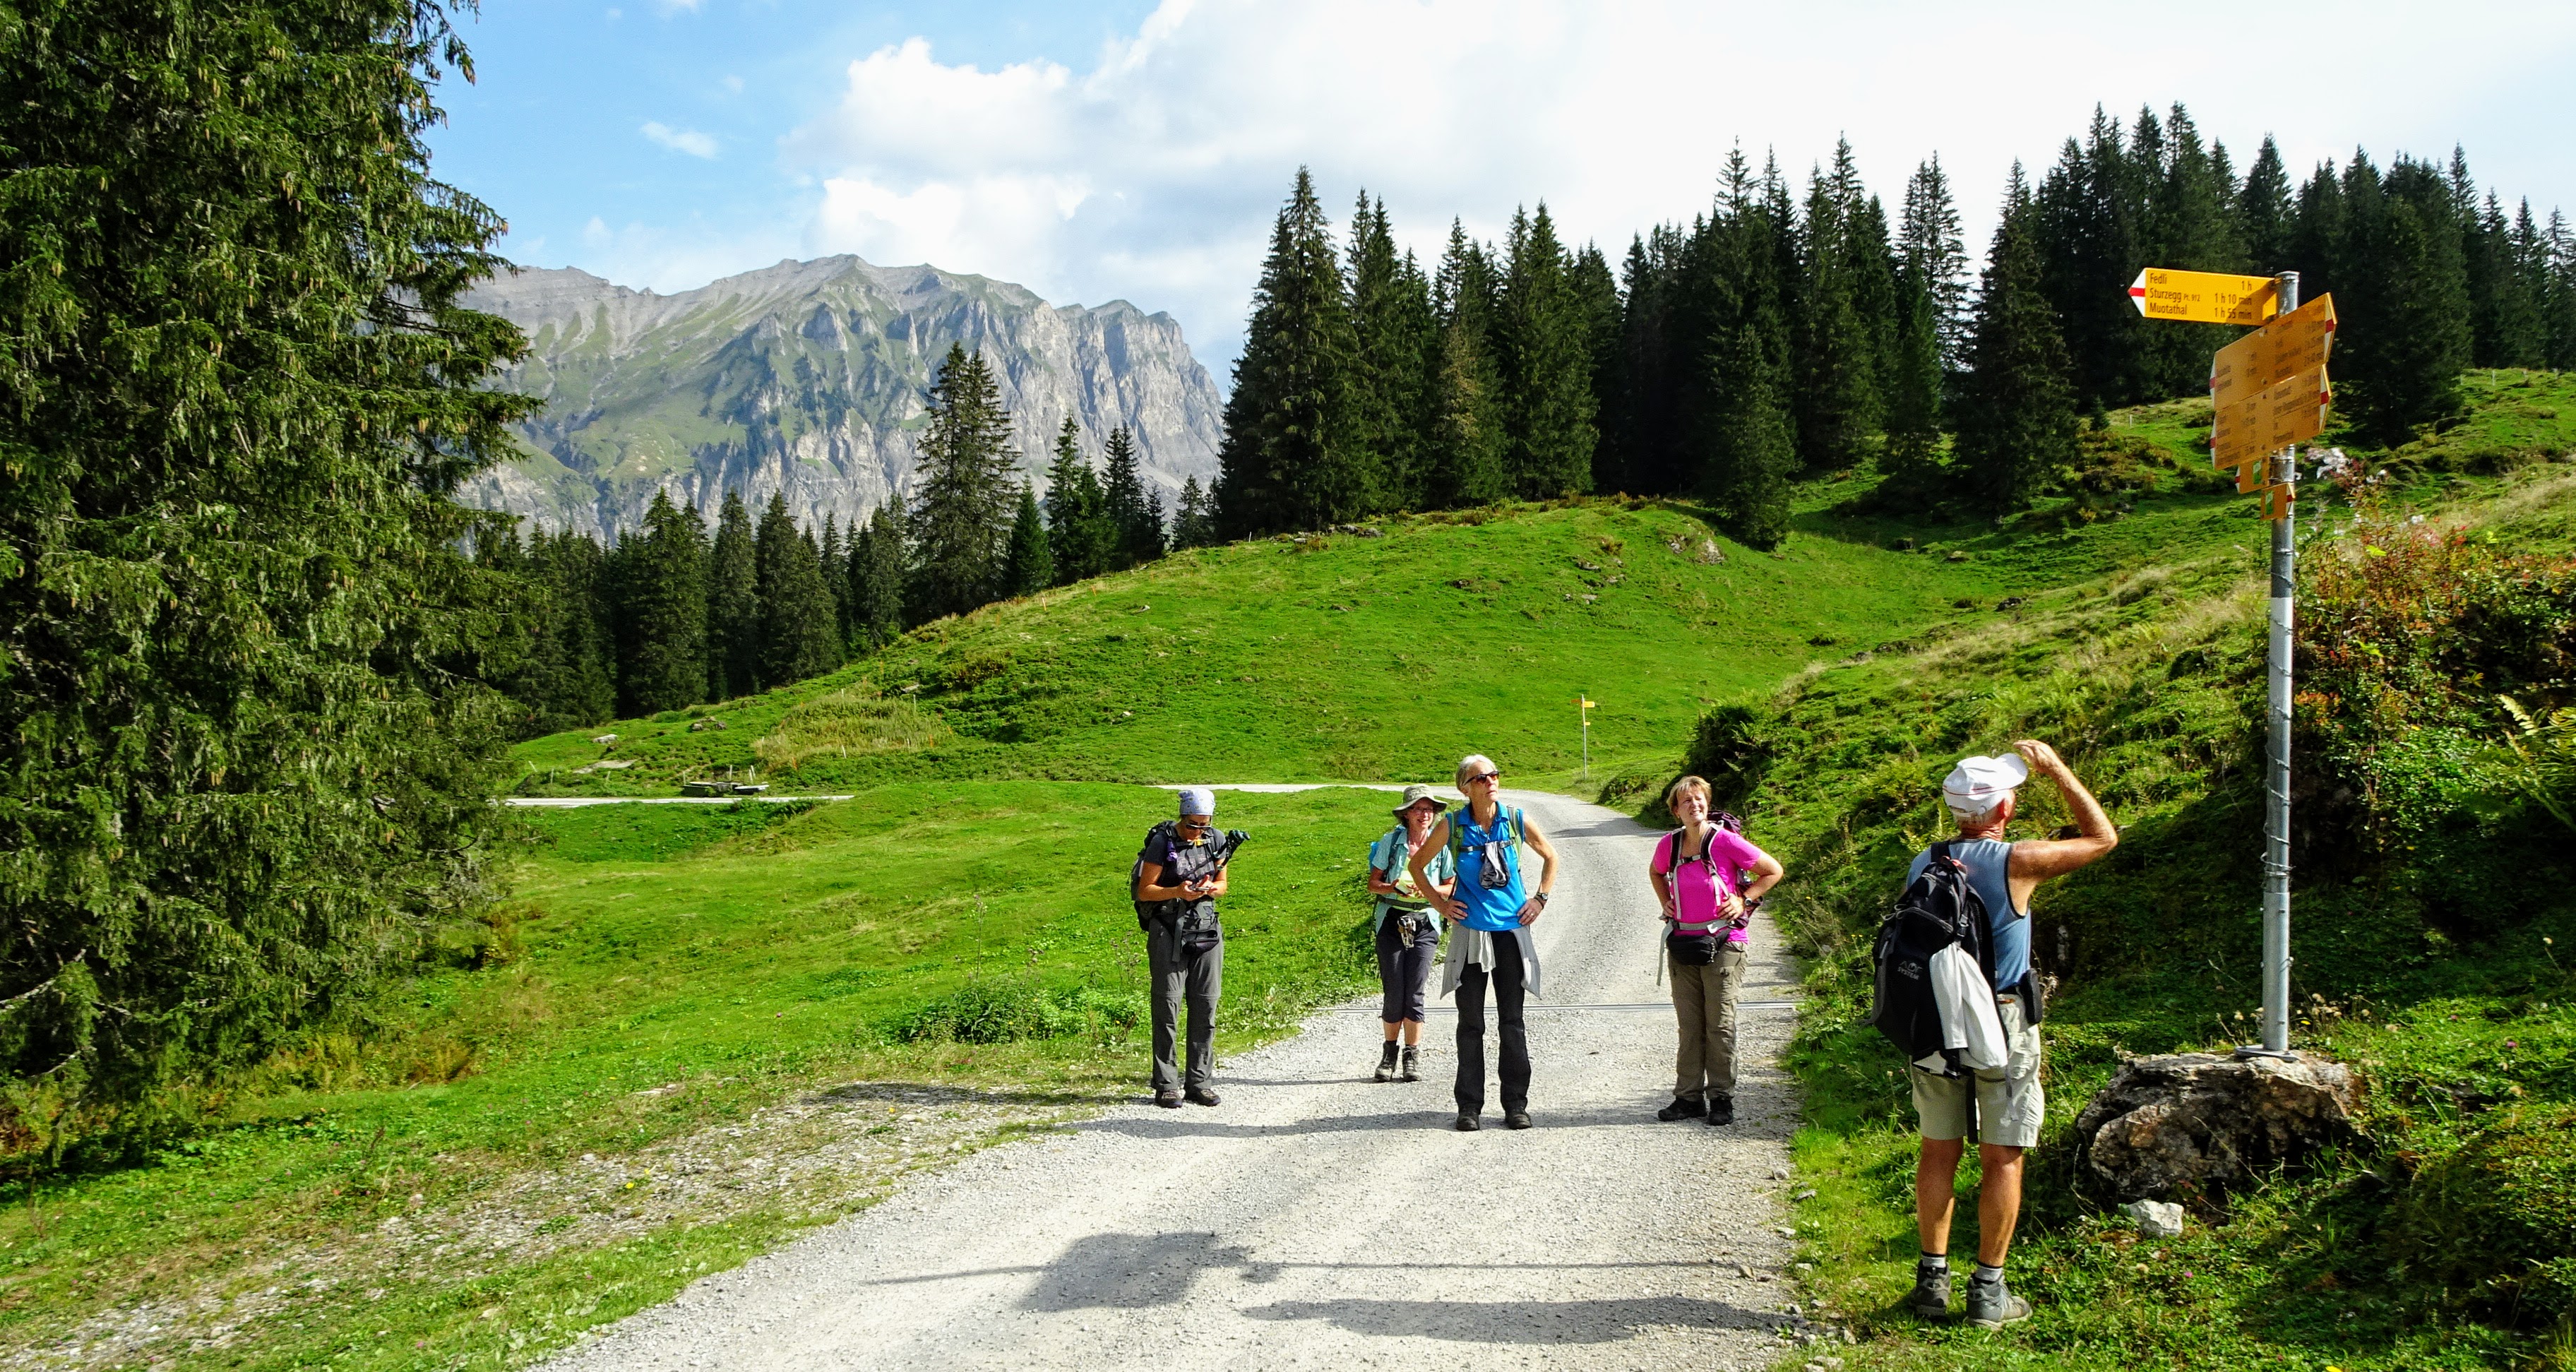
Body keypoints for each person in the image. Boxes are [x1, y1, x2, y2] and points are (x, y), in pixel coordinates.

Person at [1907, 741, 2116, 1329]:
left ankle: (1932, 1282)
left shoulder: (1924, 861)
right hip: (2001, 1019)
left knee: (1938, 1148)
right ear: (2004, 808)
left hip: (1934, 1020)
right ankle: (1988, 1291)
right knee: (2002, 1156)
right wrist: (2058, 771)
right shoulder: (2019, 860)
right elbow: (2102, 838)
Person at [1410, 754, 1558, 1132]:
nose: (1491, 781)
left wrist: (1540, 899)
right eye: (1481, 778)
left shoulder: (1515, 819)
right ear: (1465, 788)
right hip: (1470, 935)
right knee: (1470, 1023)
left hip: (1511, 932)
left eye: (1494, 775)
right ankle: (1469, 1107)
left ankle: (1516, 1105)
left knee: (1512, 1021)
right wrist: (1441, 904)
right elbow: (1416, 866)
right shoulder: (1452, 825)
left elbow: (1550, 856)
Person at [1646, 777, 1784, 1127]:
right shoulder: (1669, 845)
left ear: (1707, 804)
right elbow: (1656, 873)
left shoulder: (1724, 841)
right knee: (1690, 1026)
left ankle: (1722, 1098)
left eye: (1699, 799)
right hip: (1683, 942)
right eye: (1686, 801)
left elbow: (1772, 871)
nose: (1695, 805)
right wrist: (1665, 902)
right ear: (1676, 811)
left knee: (1719, 1025)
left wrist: (1744, 900)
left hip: (1726, 942)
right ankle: (1688, 1098)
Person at [1135, 787, 1235, 1109]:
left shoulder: (1216, 839)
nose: (1198, 831)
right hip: (1168, 931)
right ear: (1182, 817)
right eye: (1193, 824)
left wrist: (1210, 888)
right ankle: (1166, 1085)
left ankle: (1199, 1083)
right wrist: (1178, 891)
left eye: (1204, 824)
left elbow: (1223, 884)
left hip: (1207, 930)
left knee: (1206, 1004)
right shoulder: (1162, 842)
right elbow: (1145, 891)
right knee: (1168, 1006)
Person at [1365, 785, 1457, 1082]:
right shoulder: (1391, 843)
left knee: (1415, 990)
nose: (1425, 814)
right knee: (1394, 990)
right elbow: (1373, 884)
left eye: (1429, 809)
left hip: (1426, 921)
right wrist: (1393, 887)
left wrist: (1427, 890)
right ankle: (1389, 1054)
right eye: (1418, 809)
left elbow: (1451, 885)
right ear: (1406, 814)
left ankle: (1411, 1056)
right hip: (1392, 919)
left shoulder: (1440, 845)